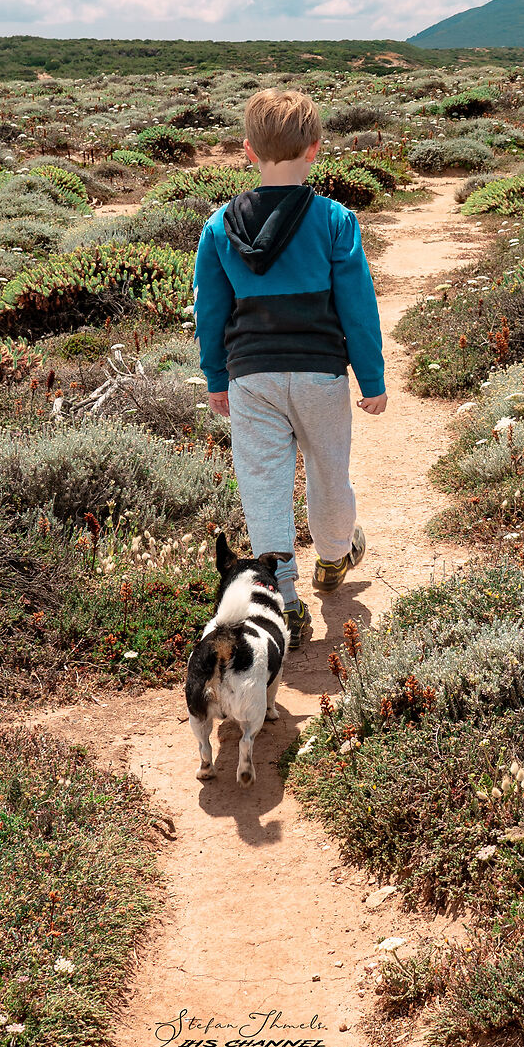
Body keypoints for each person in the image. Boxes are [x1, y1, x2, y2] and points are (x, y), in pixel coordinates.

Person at [193, 89, 384, 649]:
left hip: (252, 377)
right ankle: (333, 557)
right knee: (330, 472)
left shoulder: (220, 226)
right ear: (315, 150)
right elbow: (358, 306)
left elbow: (210, 311)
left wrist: (216, 377)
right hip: (320, 374)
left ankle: (285, 599)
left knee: (264, 486)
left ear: (249, 151)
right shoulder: (335, 220)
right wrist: (370, 379)